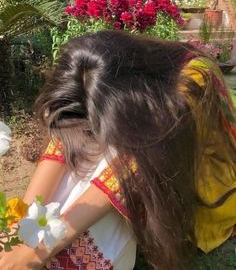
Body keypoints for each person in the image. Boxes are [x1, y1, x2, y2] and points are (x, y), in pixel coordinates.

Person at [0, 30, 235, 270]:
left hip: (189, 183)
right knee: (84, 145)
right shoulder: (96, 73)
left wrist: (39, 252)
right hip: (132, 153)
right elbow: (64, 139)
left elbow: (129, 166)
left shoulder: (193, 78)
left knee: (110, 154)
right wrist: (18, 226)